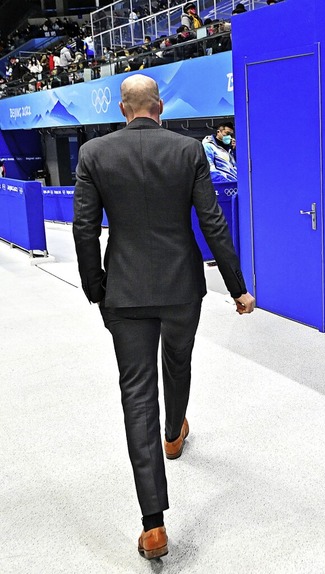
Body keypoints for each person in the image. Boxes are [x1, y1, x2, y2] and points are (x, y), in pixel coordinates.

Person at [72, 74, 255, 559]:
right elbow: (212, 222)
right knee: (178, 363)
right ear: (160, 107)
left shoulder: (95, 154)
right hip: (180, 288)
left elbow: (84, 227)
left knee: (136, 396)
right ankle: (175, 435)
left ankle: (153, 526)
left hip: (125, 293)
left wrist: (97, 290)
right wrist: (237, 287)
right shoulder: (188, 150)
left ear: (123, 108)